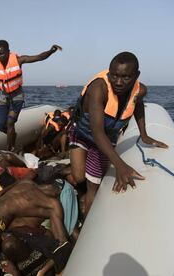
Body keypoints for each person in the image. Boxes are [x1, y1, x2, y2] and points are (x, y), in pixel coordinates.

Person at [69, 52, 168, 217]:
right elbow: (97, 132)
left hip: (104, 141)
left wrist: (144, 135)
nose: (119, 82)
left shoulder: (140, 90)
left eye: (126, 77)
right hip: (83, 134)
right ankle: (71, 176)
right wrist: (120, 165)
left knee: (93, 184)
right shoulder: (98, 89)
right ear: (108, 72)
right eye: (114, 76)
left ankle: (87, 221)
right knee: (79, 178)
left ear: (136, 75)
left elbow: (137, 105)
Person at [0, 40, 62, 151]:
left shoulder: (19, 60)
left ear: (8, 51)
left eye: (2, 53)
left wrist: (51, 51)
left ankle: (10, 149)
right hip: (3, 96)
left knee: (10, 122)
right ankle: (12, 135)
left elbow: (39, 57)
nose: (0, 56)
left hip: (17, 96)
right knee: (0, 124)